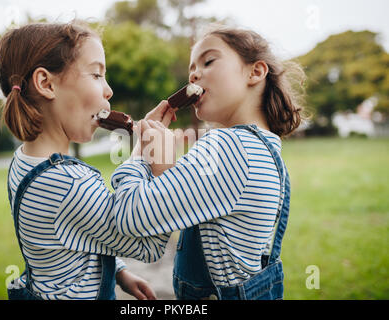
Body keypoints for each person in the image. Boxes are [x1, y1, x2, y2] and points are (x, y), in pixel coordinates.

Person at [111, 26, 306, 300]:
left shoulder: (228, 147)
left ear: (256, 72)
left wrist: (141, 152)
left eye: (209, 61)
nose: (193, 74)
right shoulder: (264, 149)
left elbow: (131, 217)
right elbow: (180, 204)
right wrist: (163, 162)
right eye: (192, 68)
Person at [0, 21, 176, 300]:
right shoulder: (70, 183)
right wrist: (159, 166)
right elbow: (148, 245)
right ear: (47, 83)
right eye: (96, 75)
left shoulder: (24, 161)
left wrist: (117, 271)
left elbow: (73, 235)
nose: (109, 91)